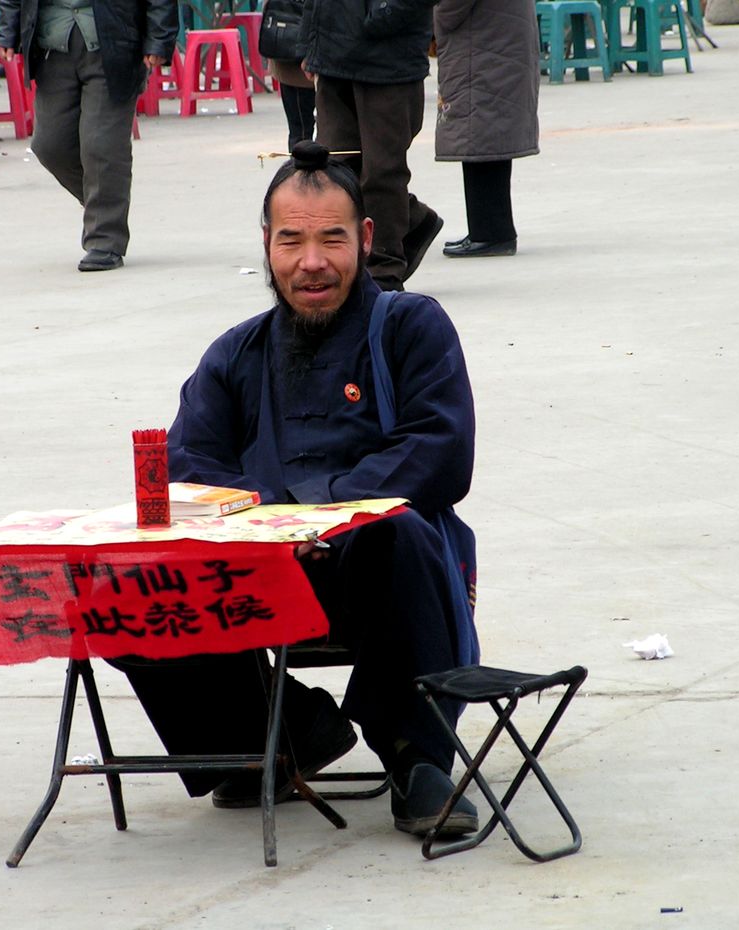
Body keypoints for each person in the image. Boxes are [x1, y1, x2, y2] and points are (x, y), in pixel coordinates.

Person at [115, 141, 480, 837]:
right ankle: (280, 734)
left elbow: (440, 449)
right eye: (292, 241)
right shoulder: (236, 352)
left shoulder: (410, 326)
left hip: (383, 570)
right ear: (267, 245)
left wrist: (328, 519)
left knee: (394, 529)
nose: (312, 263)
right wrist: (271, 527)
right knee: (124, 585)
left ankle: (415, 757)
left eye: (332, 239)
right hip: (262, 571)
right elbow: (191, 464)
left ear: (366, 239)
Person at [0, 0, 178, 272]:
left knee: (102, 146)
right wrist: (8, 31)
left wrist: (159, 40)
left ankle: (105, 241)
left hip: (114, 46)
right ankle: (102, 201)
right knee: (49, 146)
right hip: (52, 47)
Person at [298, 0, 443, 290]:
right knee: (334, 170)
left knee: (381, 172)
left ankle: (383, 272)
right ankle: (413, 220)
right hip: (332, 54)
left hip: (388, 57)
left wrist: (385, 13)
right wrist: (310, 45)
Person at [434, 0, 540, 257]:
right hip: (497, 42)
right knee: (490, 137)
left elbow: (450, 10)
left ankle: (491, 234)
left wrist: (432, 14)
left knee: (479, 137)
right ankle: (492, 230)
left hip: (483, 48)